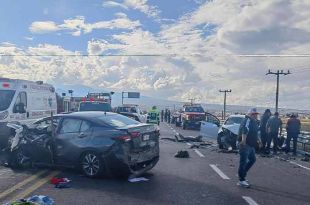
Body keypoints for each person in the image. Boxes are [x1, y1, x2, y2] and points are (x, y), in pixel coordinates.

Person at [237, 108, 259, 188]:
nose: (256, 115)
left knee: (253, 159)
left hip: (250, 145)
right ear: (250, 114)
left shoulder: (254, 122)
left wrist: (258, 140)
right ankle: (241, 180)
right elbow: (245, 130)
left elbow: (254, 132)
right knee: (243, 161)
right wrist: (243, 140)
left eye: (256, 114)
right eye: (254, 114)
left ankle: (242, 174)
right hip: (245, 144)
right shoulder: (248, 120)